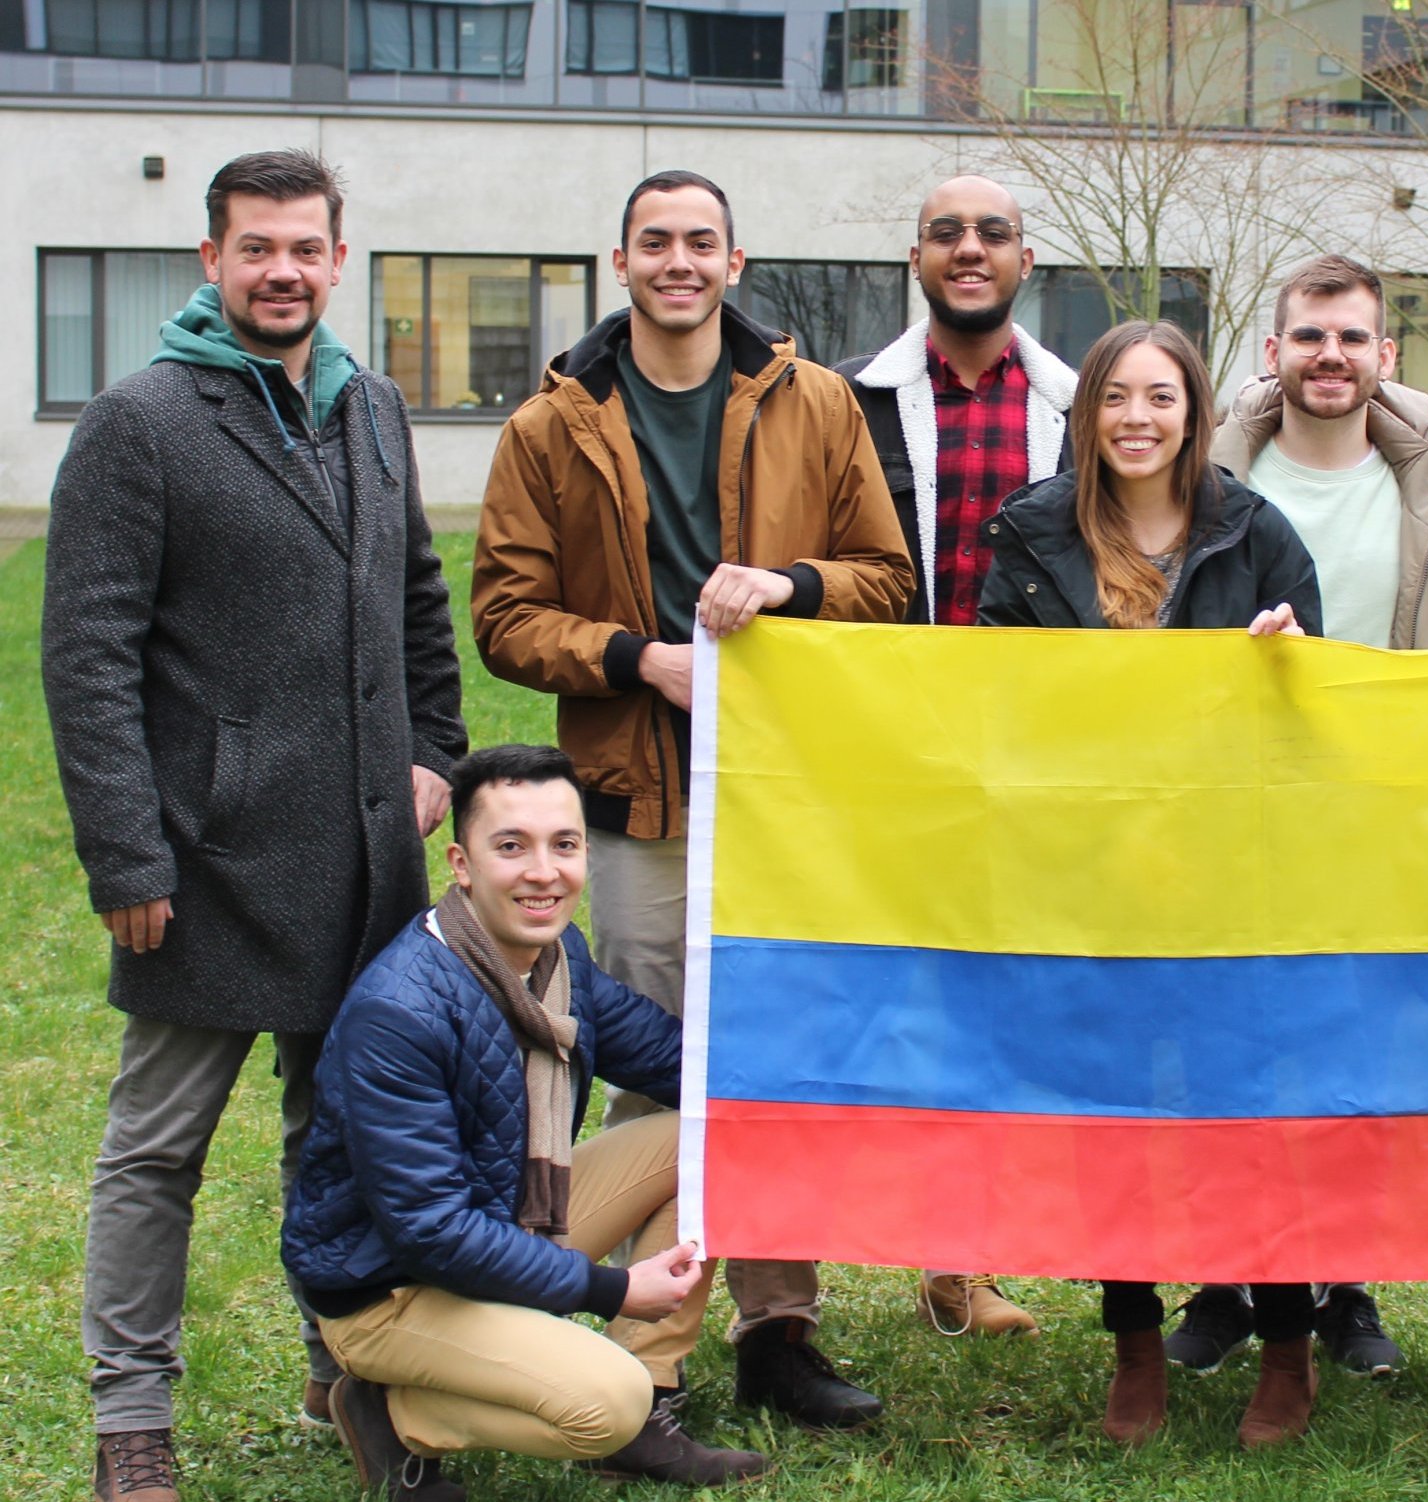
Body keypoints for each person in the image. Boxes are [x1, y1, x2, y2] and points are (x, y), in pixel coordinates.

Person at [41, 148, 467, 1502]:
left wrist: (436, 750)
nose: (282, 270)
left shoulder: (371, 405)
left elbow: (417, 599)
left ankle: (345, 1372)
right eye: (255, 248)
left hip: (364, 858)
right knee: (157, 1148)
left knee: (339, 1135)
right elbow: (87, 657)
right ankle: (131, 1417)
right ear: (211, 261)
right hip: (203, 862)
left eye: (304, 248)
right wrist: (126, 852)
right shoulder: (140, 420)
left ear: (338, 259)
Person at [472, 169, 913, 1431]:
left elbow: (887, 578)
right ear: (621, 262)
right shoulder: (550, 425)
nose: (679, 260)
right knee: (656, 1068)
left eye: (700, 241)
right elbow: (504, 614)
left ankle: (780, 1330)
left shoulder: (814, 402)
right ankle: (643, 1353)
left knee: (777, 1062)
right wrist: (635, 659)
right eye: (655, 241)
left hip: (787, 794)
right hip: (637, 796)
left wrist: (788, 585)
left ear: (734, 262)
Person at [977, 320, 1322, 1448]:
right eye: (1115, 396)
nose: (1136, 417)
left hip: (1234, 877)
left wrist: (1288, 659)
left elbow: (1320, 712)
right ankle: (1133, 1341)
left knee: (1251, 1115)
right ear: (1087, 412)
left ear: (1195, 411)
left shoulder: (1257, 533)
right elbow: (994, 697)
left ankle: (1287, 1343)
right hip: (1093, 875)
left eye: (1160, 396)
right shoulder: (1033, 531)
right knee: (1111, 1114)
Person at [1173, 254, 1428, 1381]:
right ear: (1273, 351)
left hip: (1376, 810)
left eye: (1353, 337)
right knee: (1230, 1051)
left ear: (1385, 356)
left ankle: (1346, 1284)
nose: (1330, 356)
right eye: (1310, 335)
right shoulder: (1210, 473)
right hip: (1233, 806)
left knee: (1356, 1056)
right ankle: (1225, 1280)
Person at [284, 745, 768, 1495]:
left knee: (710, 1137)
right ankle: (393, 1413)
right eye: (511, 847)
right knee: (604, 1404)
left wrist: (816, 1084)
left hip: (507, 1219)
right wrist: (611, 1289)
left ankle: (649, 1400)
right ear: (462, 863)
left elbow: (666, 1058)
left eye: (563, 845)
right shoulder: (399, 1012)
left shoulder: (555, 954)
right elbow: (432, 1230)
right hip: (393, 1290)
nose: (544, 872)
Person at [836, 172, 1078, 1337]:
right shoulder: (849, 403)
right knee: (881, 999)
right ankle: (801, 1265)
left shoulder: (1078, 407)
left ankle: (959, 1257)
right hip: (892, 745)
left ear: (1027, 259)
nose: (968, 249)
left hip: (1036, 750)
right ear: (917, 258)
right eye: (946, 232)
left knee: (994, 1002)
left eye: (992, 232)